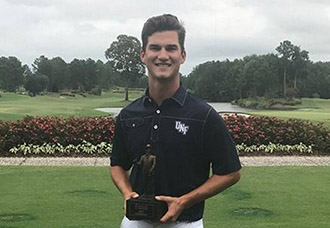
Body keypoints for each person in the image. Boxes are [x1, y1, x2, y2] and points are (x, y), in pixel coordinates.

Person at [110, 14, 241, 228]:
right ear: (143, 54)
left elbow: (231, 172)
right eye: (155, 48)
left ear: (182, 55)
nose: (163, 55)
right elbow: (117, 165)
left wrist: (183, 202)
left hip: (185, 223)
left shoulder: (204, 115)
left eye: (171, 48)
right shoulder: (128, 115)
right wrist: (127, 193)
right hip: (135, 222)